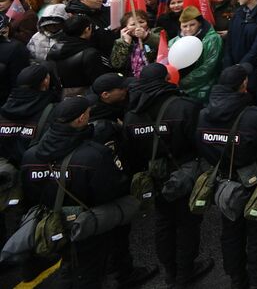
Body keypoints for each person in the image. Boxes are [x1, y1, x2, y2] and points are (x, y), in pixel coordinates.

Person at [20, 96, 157, 289]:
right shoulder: (94, 155)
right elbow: (111, 189)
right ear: (79, 119)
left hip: (54, 222)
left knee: (69, 264)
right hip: (88, 223)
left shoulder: (31, 155)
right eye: (86, 113)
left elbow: (29, 190)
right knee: (89, 273)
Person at [122, 62, 209, 287]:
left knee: (163, 224)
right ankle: (185, 272)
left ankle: (170, 272)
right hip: (183, 173)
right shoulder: (184, 107)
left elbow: (129, 151)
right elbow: (198, 142)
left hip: (153, 178)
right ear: (167, 80)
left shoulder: (132, 114)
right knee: (186, 224)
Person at [195, 66, 257, 289]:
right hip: (252, 182)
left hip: (223, 183)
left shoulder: (204, 115)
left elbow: (201, 146)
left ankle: (236, 279)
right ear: (243, 84)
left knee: (231, 232)